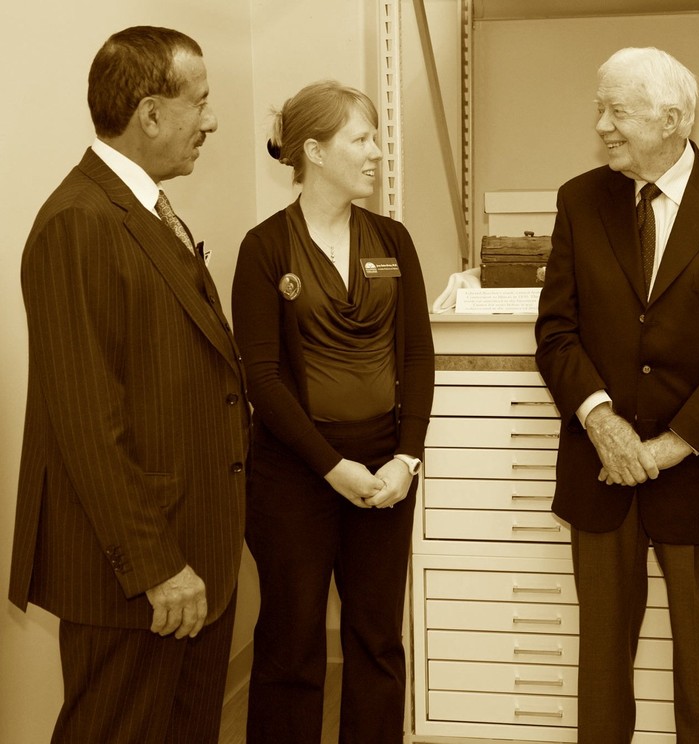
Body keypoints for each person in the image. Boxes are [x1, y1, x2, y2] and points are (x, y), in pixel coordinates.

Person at [535, 47, 699, 742]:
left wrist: (671, 447)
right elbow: (555, 332)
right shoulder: (579, 200)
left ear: (671, 119)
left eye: (617, 110)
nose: (602, 125)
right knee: (603, 667)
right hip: (601, 470)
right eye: (601, 108)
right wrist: (603, 423)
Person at [8, 26, 250, 744]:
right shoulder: (77, 223)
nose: (210, 121)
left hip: (193, 554)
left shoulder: (142, 212)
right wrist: (156, 566)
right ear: (150, 113)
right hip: (140, 577)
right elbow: (87, 423)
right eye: (199, 103)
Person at [231, 80, 434, 744]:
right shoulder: (265, 249)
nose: (377, 152)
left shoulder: (393, 242)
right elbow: (261, 377)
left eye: (376, 137)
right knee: (292, 646)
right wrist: (331, 468)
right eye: (362, 139)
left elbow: (416, 358)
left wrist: (406, 458)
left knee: (377, 642)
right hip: (296, 478)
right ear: (314, 151)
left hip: (385, 477)